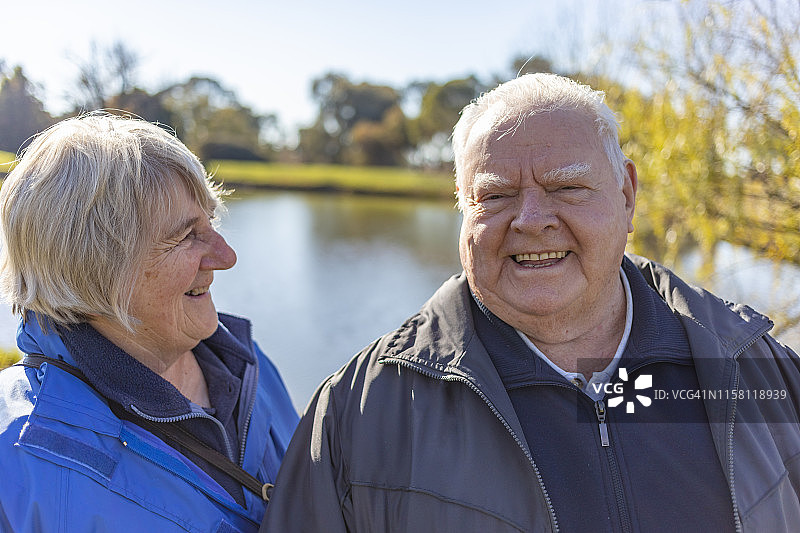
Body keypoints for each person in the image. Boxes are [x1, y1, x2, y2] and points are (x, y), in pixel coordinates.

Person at [262, 73, 800, 532]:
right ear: (462, 212)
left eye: (567, 188)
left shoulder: (758, 368)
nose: (531, 220)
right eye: (495, 196)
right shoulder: (360, 412)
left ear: (627, 194)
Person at [0, 113, 299, 532]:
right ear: (92, 270)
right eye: (185, 236)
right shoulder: (17, 455)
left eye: (209, 223)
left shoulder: (250, 366)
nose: (226, 256)